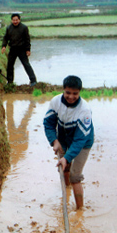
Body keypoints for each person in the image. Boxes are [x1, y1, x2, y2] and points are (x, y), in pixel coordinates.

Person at [43, 75, 94, 210]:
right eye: (68, 93)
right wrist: (54, 141)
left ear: (79, 93)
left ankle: (80, 210)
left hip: (82, 142)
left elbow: (79, 141)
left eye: (75, 93)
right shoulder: (55, 102)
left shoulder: (85, 111)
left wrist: (67, 157)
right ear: (63, 90)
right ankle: (66, 189)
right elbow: (48, 123)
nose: (71, 97)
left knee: (75, 176)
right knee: (64, 167)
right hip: (63, 138)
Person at [1, 13, 37, 86]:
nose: (15, 21)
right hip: (13, 49)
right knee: (10, 65)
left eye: (16, 20)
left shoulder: (24, 28)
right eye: (14, 20)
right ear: (11, 20)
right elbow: (5, 38)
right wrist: (4, 46)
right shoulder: (9, 28)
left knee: (26, 64)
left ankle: (33, 80)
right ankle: (10, 82)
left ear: (19, 20)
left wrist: (28, 49)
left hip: (22, 49)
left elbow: (27, 39)